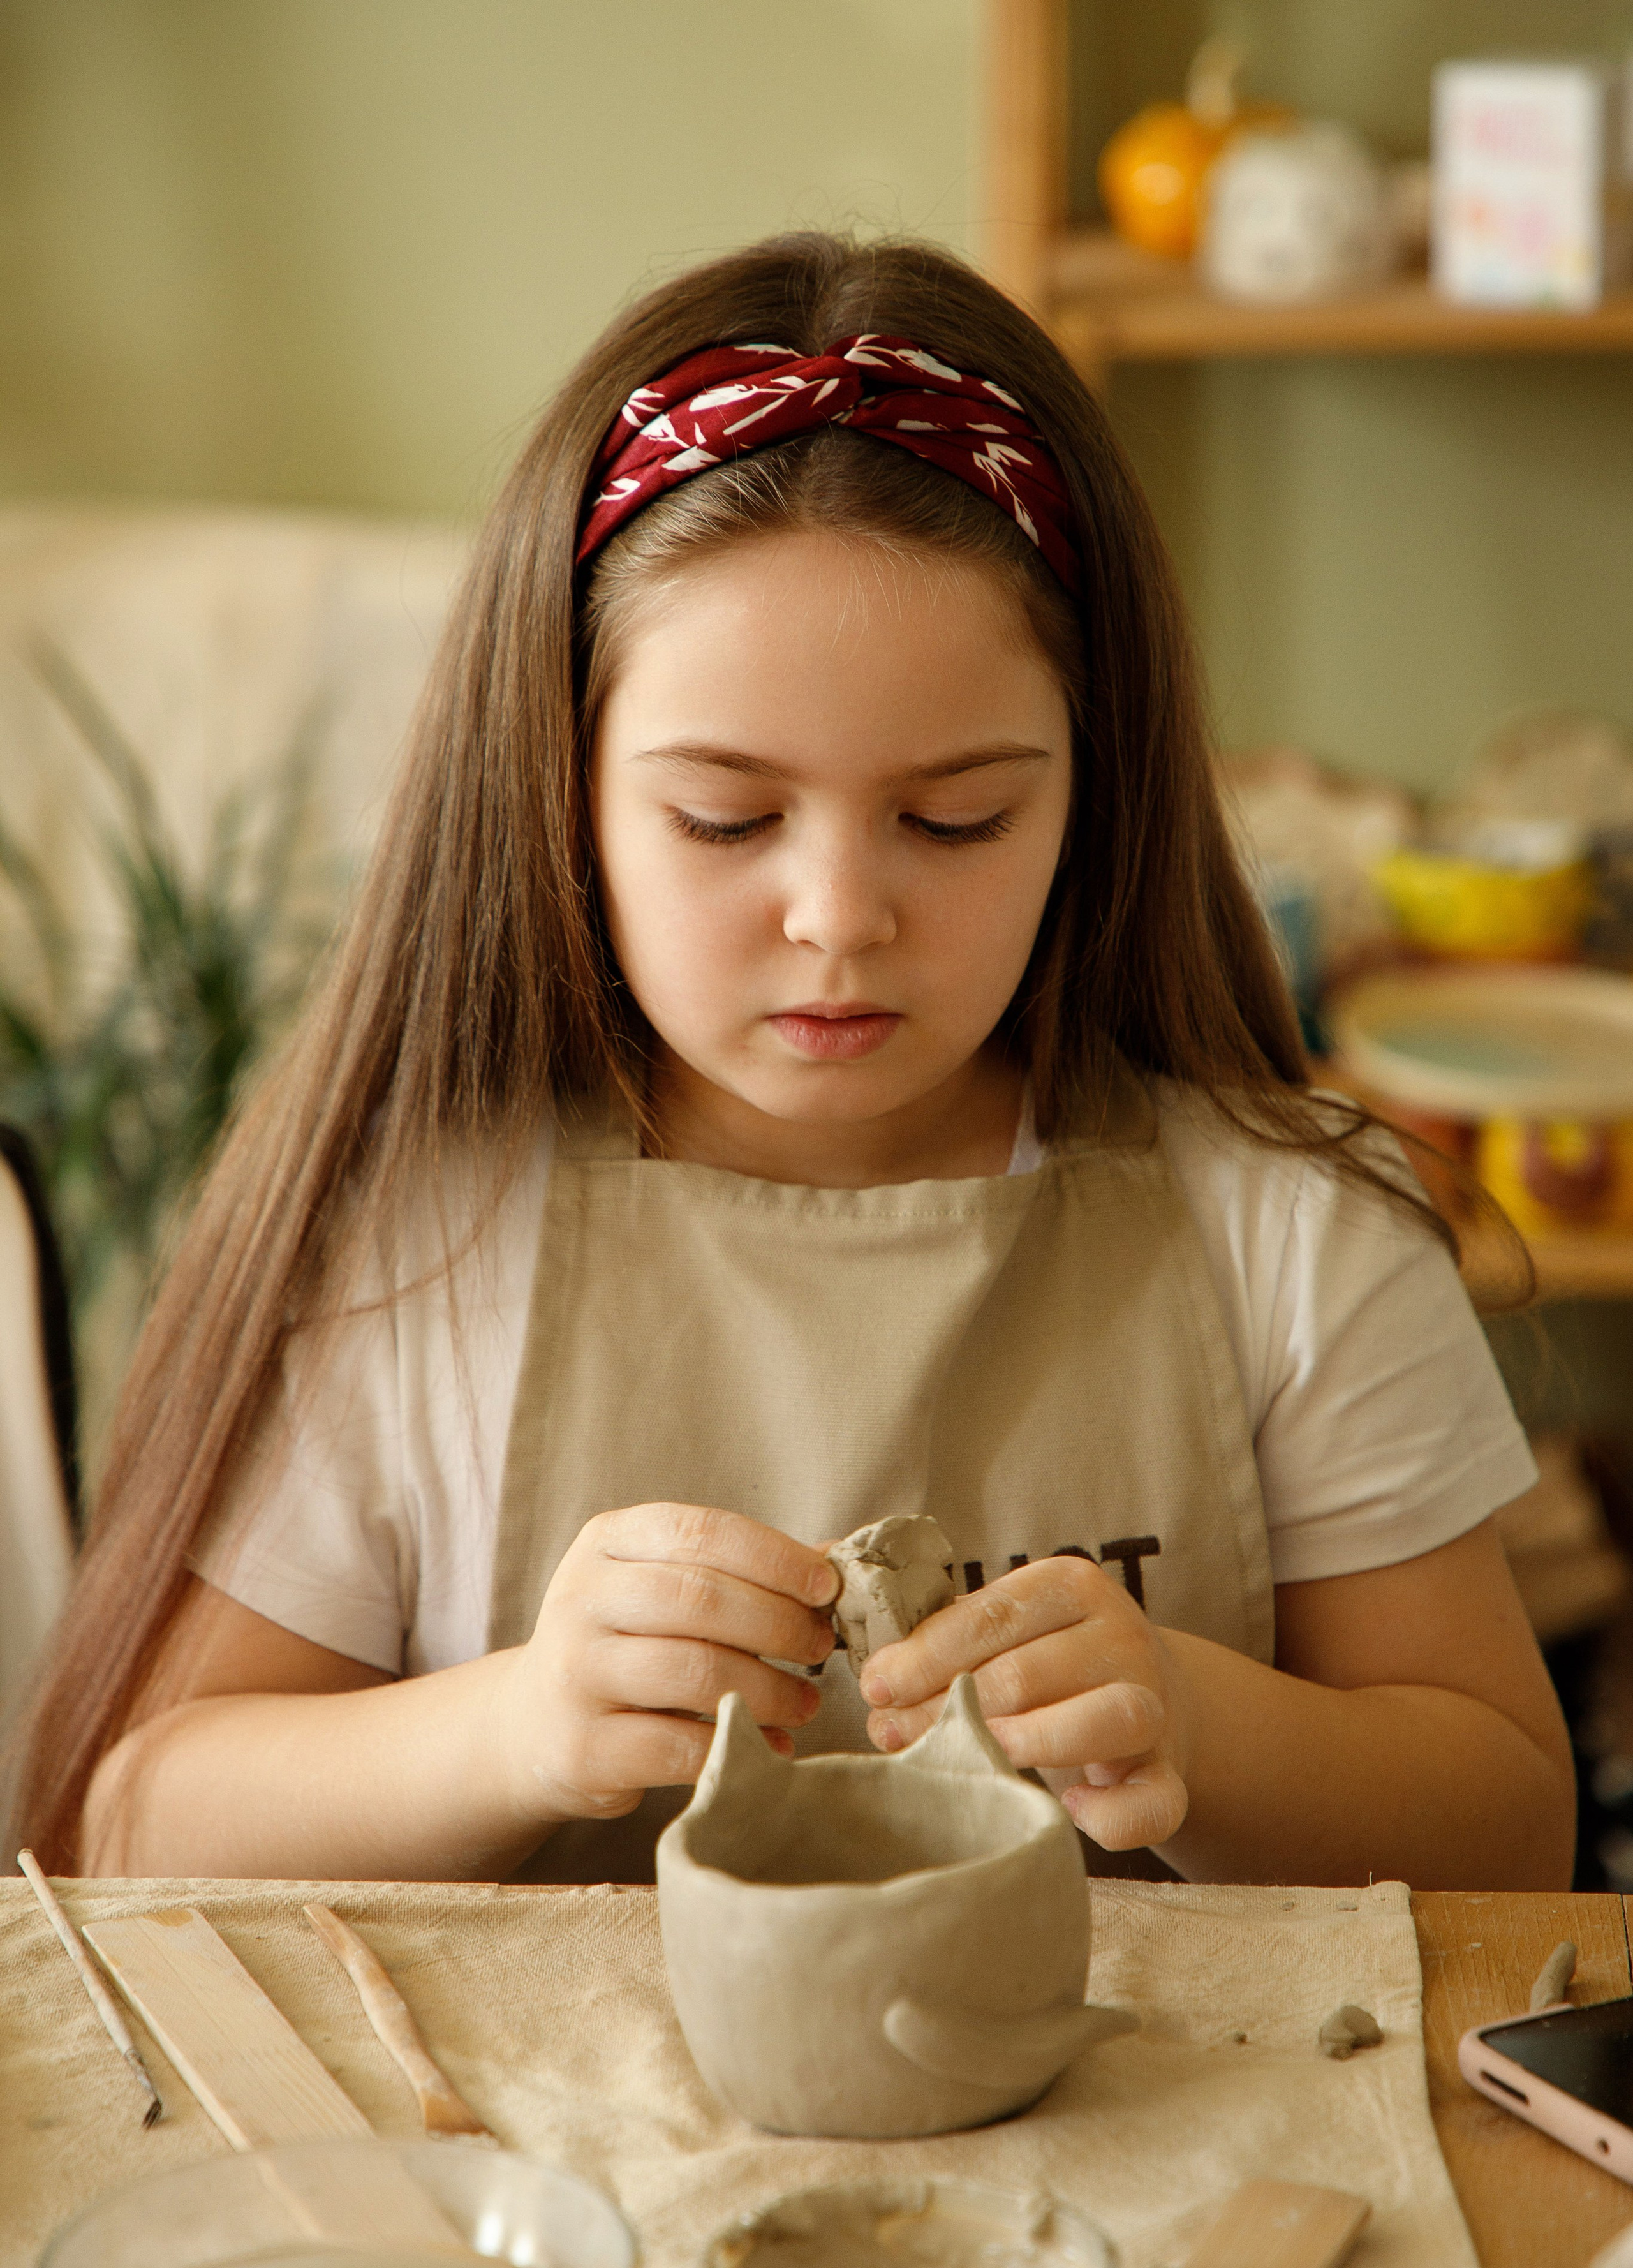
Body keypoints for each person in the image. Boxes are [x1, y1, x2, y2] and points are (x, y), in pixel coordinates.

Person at [12, 233, 1572, 1889]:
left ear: (1090, 790)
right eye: (725, 817)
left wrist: (1199, 1721)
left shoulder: (1289, 1233)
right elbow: (129, 1821)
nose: (839, 917)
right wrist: (510, 1727)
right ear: (562, 791)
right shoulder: (414, 1241)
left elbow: (1511, 1831)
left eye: (956, 816)